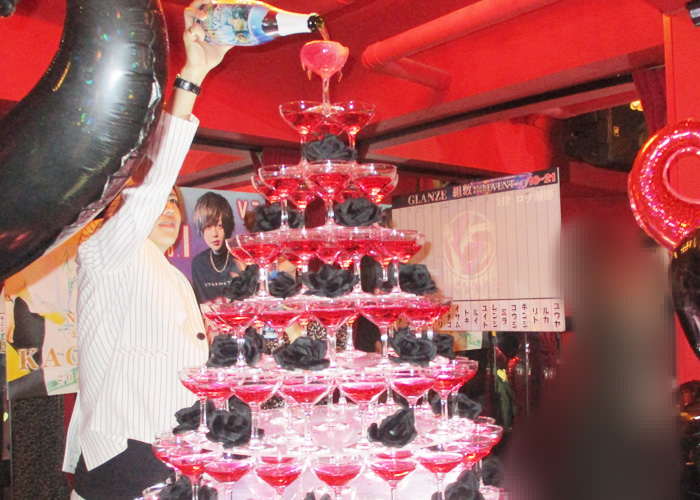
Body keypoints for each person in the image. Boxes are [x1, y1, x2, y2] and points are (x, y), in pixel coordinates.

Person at [62, 2, 232, 499]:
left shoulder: (172, 274)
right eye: (159, 202)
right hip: (127, 448)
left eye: (174, 204)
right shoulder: (104, 251)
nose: (167, 208)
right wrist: (192, 76)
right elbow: (151, 185)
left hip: (175, 438)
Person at [190, 191, 240, 304]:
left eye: (219, 226)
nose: (214, 234)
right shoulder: (198, 263)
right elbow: (201, 304)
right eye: (208, 226)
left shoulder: (240, 257)